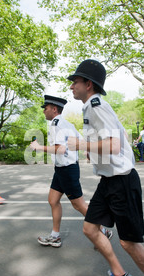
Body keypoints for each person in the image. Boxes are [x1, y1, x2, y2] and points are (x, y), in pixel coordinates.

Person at [67, 59, 144, 276]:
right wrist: (91, 150)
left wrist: (81, 144)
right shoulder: (90, 107)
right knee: (90, 228)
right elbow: (117, 137)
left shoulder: (97, 106)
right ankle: (120, 275)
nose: (72, 86)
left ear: (89, 84)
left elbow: (114, 145)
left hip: (123, 181)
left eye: (75, 81)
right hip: (108, 181)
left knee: (128, 242)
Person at [30, 95, 112, 248]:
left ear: (54, 109)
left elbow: (60, 149)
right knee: (53, 200)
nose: (44, 111)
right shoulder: (67, 124)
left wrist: (38, 147)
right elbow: (82, 142)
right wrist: (89, 153)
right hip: (61, 170)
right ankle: (55, 236)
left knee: (79, 205)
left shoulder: (56, 124)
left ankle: (103, 230)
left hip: (67, 170)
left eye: (45, 108)